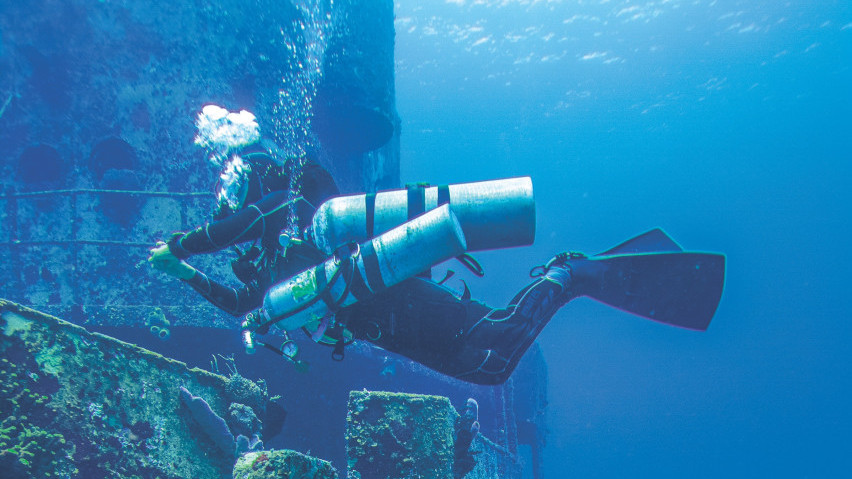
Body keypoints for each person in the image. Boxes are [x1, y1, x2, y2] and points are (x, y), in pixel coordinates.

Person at [150, 106, 726, 386]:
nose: (231, 212)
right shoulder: (276, 272)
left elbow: (235, 226)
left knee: (494, 354)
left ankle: (566, 273)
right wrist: (182, 274)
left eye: (234, 193)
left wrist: (179, 245)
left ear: (254, 183)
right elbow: (239, 307)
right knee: (490, 372)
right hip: (396, 329)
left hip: (409, 309)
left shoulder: (294, 216)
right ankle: (562, 278)